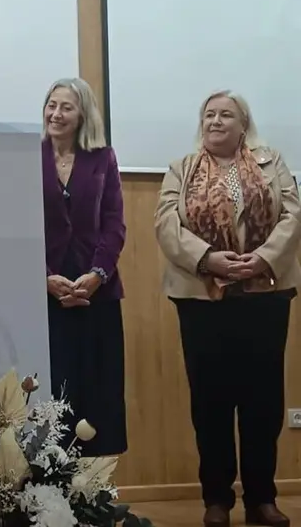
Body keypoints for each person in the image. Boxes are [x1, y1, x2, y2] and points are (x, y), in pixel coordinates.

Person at [154, 90, 299, 527]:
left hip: (264, 295)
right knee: (210, 404)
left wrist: (263, 258)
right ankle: (216, 500)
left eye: (225, 115)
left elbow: (292, 215)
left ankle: (261, 500)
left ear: (243, 124)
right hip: (202, 298)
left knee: (263, 403)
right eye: (209, 115)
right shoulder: (181, 167)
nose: (215, 121)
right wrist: (207, 258)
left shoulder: (272, 162)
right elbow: (165, 222)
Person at [41, 77, 127, 458]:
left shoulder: (102, 158)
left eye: (66, 107)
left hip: (97, 295)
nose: (56, 114)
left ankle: (94, 496)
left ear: (83, 115)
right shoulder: (26, 156)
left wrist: (97, 275)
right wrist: (41, 277)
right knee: (53, 393)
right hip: (43, 296)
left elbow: (114, 224)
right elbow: (15, 225)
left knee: (98, 392)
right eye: (51, 105)